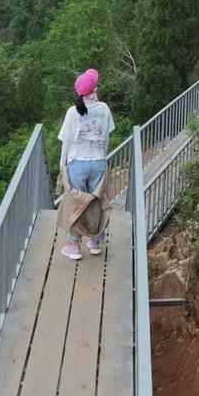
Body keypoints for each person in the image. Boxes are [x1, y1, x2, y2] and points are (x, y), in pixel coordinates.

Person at [57, 68, 115, 261]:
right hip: (98, 161)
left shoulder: (73, 112)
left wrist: (62, 163)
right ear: (95, 89)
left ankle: (74, 245)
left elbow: (66, 141)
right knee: (96, 202)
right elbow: (106, 137)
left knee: (76, 203)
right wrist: (103, 158)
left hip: (77, 163)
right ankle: (96, 241)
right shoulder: (104, 109)